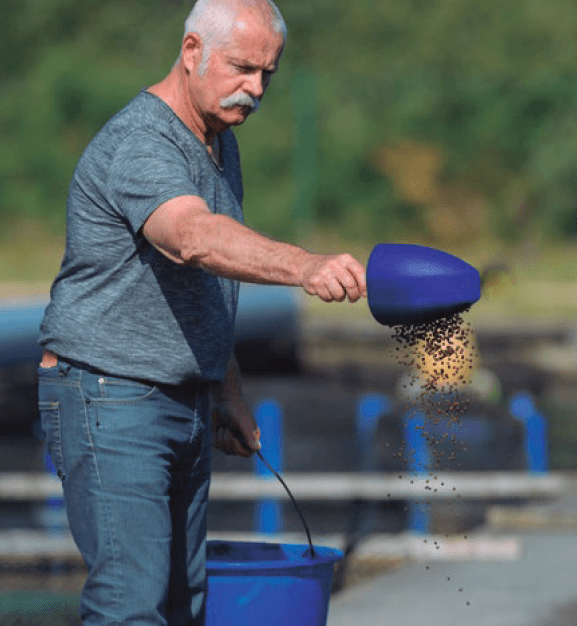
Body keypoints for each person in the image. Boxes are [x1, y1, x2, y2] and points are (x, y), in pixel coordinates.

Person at [36, 0, 366, 623]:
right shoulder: (142, 141)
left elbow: (201, 288)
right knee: (130, 603)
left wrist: (226, 388)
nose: (256, 88)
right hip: (111, 393)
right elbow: (191, 239)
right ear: (192, 52)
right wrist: (304, 266)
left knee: (183, 602)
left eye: (268, 74)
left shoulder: (218, 142)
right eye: (242, 68)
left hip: (184, 395)